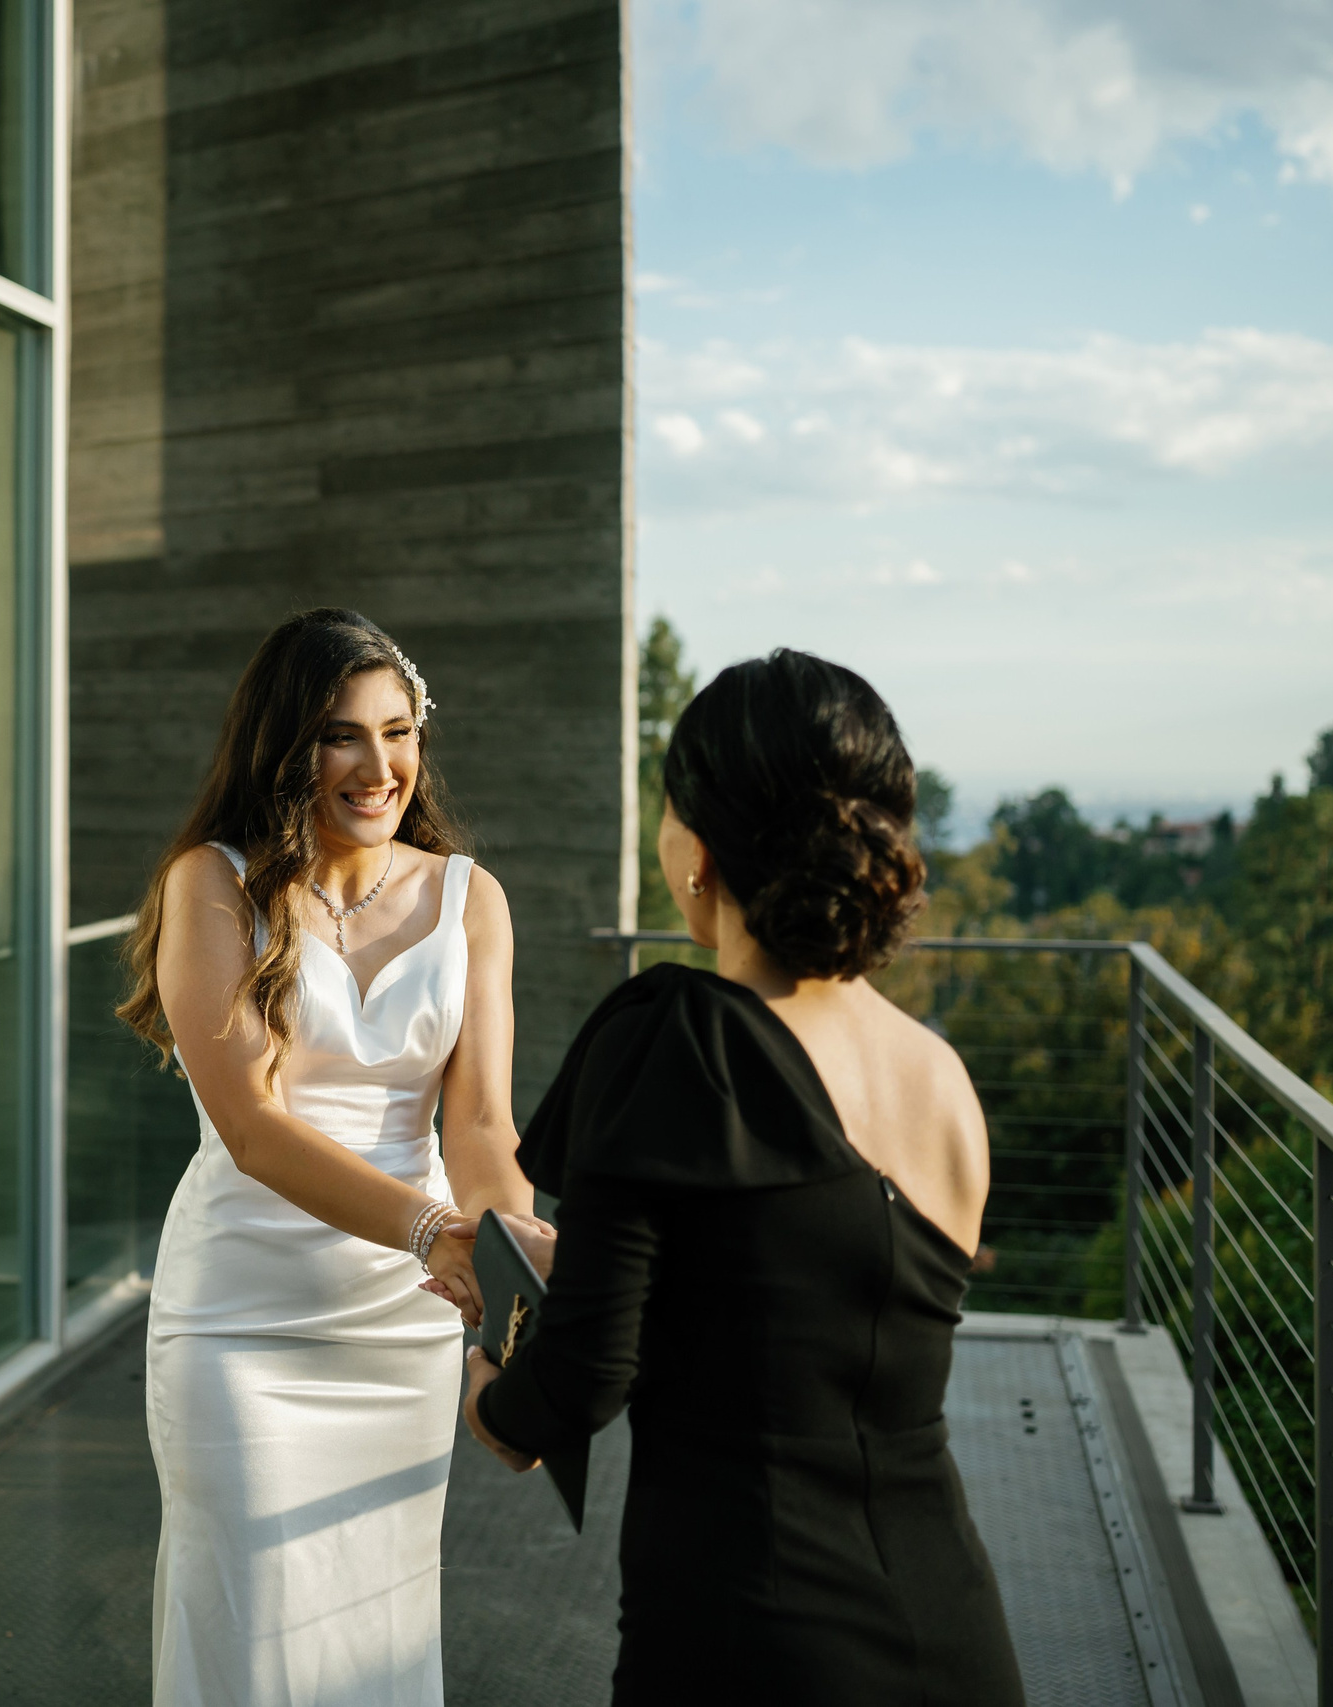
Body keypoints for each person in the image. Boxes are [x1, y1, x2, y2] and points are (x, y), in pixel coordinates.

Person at [461, 648, 1024, 1706]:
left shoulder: (677, 1039)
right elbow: (803, 1290)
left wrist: (491, 1398)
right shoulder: (942, 1080)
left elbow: (575, 1386)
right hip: (955, 1635)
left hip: (748, 1640)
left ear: (697, 849)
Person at [120, 608, 555, 1707]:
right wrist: (430, 1229)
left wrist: (513, 1279)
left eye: (398, 731)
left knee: (377, 1637)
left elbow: (483, 1128)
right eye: (339, 735)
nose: (379, 766)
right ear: (282, 745)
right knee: (252, 1639)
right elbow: (254, 1129)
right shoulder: (209, 885)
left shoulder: (471, 900)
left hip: (402, 1324)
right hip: (241, 1323)